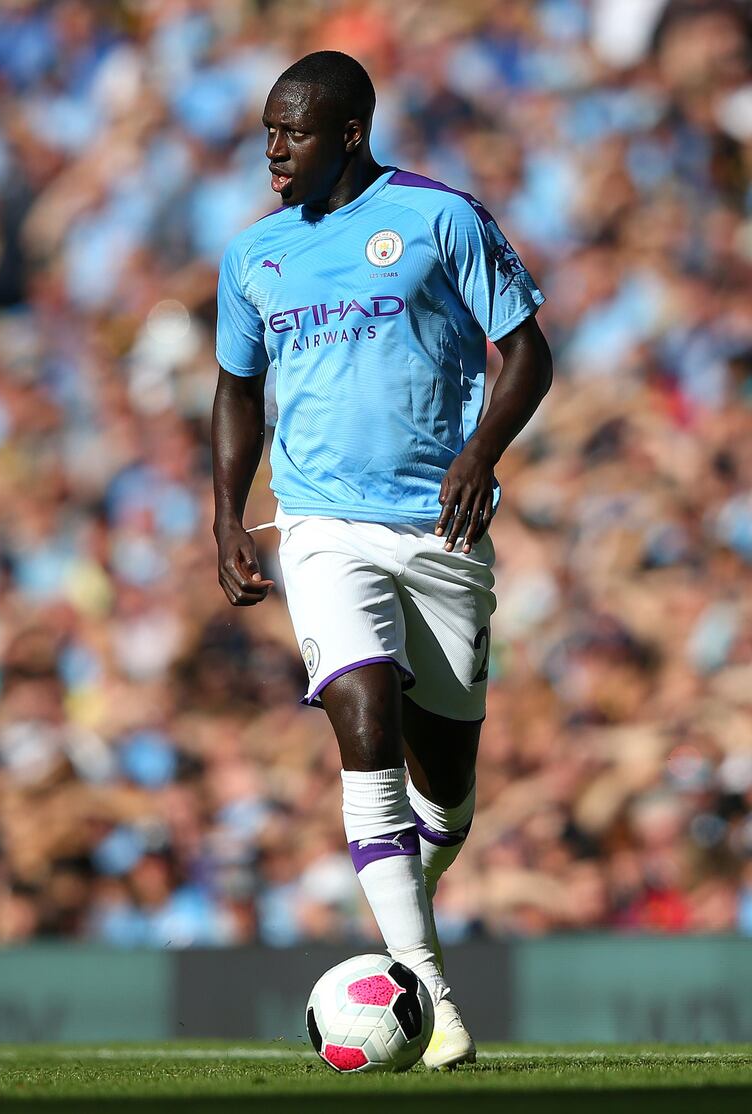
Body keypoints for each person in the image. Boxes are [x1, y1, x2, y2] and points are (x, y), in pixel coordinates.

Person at [212, 50, 552, 1068]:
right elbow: (235, 388)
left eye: (293, 132)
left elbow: (527, 350)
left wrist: (478, 453)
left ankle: (409, 900)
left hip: (437, 530)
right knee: (359, 706)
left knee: (443, 784)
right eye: (267, 130)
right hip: (317, 525)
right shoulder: (252, 256)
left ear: (348, 133)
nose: (273, 150)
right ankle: (433, 993)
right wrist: (226, 513)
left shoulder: (441, 218)